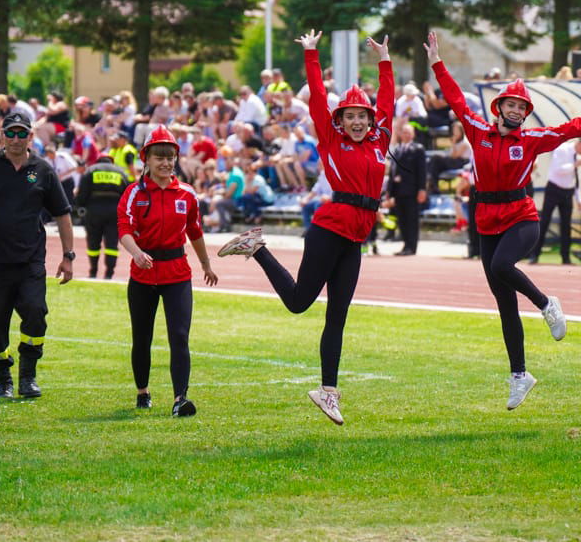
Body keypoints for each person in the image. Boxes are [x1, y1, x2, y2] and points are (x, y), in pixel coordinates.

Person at [424, 31, 581, 411]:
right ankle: (520, 375)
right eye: (511, 104)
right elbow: (455, 99)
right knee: (504, 303)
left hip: (521, 216)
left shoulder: (534, 139)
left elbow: (572, 127)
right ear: (499, 107)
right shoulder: (477, 130)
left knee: (501, 265)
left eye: (521, 107)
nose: (516, 110)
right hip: (486, 219)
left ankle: (546, 303)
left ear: (525, 113)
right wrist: (437, 62)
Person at [218, 29, 394, 425]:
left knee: (338, 317)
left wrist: (385, 62)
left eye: (362, 116)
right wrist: (311, 54)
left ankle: (328, 392)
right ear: (340, 120)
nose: (357, 121)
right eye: (350, 115)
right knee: (299, 303)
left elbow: (388, 101)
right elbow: (316, 97)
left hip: (355, 238)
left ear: (370, 120)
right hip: (329, 230)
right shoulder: (331, 138)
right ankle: (257, 248)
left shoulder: (379, 141)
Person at [0, 112, 75, 398]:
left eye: (22, 133)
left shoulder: (43, 170)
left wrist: (68, 255)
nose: (16, 138)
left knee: (35, 312)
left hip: (31, 260)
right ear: (2, 136)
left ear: (31, 136)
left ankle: (28, 376)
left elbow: (63, 214)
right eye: (11, 133)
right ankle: (2, 378)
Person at [116, 125, 218, 416]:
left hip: (177, 274)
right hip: (143, 275)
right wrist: (137, 254)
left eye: (170, 157)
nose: (165, 163)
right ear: (146, 159)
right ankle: (143, 391)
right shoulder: (134, 193)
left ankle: (179, 399)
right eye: (159, 157)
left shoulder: (187, 194)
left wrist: (206, 264)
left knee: (180, 336)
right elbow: (124, 229)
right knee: (142, 337)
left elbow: (194, 231)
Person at [530, 138, 581, 264]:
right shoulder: (562, 149)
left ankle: (565, 257)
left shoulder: (580, 157)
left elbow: (577, 179)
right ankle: (535, 255)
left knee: (566, 225)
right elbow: (558, 170)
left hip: (568, 191)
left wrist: (579, 199)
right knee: (544, 221)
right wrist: (575, 164)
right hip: (554, 188)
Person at [76, 154, 129, 279]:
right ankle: (109, 274)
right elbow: (127, 194)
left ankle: (93, 272)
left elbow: (82, 193)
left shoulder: (91, 170)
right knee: (112, 243)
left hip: (94, 210)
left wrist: (79, 206)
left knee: (93, 242)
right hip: (114, 211)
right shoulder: (120, 172)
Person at [387, 123, 427, 256]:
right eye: (404, 132)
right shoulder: (397, 149)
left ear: (413, 134)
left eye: (409, 132)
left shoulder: (418, 149)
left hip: (412, 191)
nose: (406, 135)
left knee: (411, 220)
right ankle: (405, 245)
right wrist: (390, 192)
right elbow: (392, 171)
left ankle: (411, 246)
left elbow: (422, 171)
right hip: (398, 191)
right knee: (402, 219)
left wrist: (422, 189)